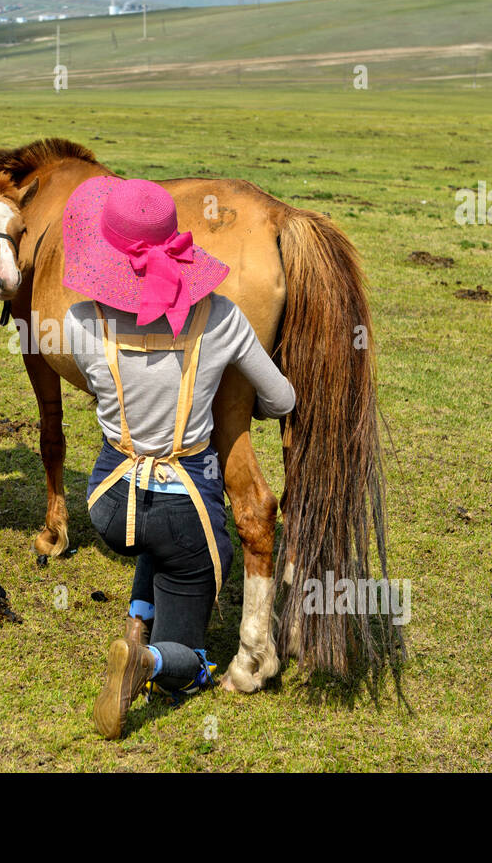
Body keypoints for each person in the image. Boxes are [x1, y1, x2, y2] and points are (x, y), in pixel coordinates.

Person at [60, 177, 296, 739]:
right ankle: (151, 661)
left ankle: (138, 618)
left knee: (152, 530)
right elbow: (283, 397)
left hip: (108, 502)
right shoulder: (220, 318)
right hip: (184, 501)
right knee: (190, 658)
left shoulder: (76, 321)